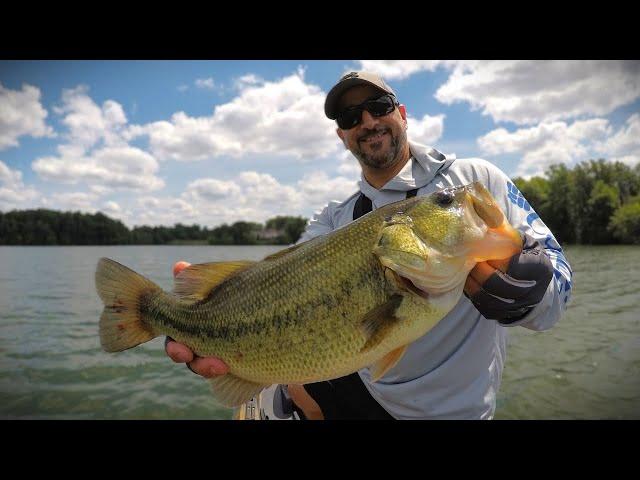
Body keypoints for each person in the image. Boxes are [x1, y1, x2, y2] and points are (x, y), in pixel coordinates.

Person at [165, 71, 573, 419]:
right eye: (350, 116)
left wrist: (535, 289)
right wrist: (199, 319)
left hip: (452, 410)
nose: (368, 121)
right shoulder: (333, 218)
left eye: (379, 106)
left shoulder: (473, 180)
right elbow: (277, 286)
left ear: (402, 114)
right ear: (343, 136)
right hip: (365, 387)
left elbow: (554, 294)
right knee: (301, 387)